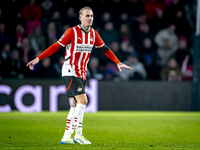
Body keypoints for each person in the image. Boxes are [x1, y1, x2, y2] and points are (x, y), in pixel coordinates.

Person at [27, 7, 131, 145]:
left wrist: (117, 62)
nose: (90, 18)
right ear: (80, 17)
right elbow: (55, 47)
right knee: (83, 101)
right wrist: (38, 58)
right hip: (70, 70)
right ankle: (79, 135)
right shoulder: (72, 32)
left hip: (82, 72)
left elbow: (105, 49)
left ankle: (66, 136)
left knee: (75, 105)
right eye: (87, 15)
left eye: (92, 16)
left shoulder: (94, 34)